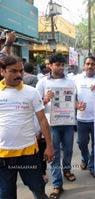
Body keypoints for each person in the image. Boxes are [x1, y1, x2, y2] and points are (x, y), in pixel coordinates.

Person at [0, 55, 54, 199]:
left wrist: (49, 146)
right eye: (13, 71)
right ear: (2, 71)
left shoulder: (31, 92)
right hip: (3, 156)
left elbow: (42, 120)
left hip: (28, 154)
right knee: (6, 193)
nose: (19, 75)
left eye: (21, 71)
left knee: (38, 189)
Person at [36, 53, 77, 199]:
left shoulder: (70, 82)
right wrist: (46, 99)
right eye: (57, 64)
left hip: (67, 123)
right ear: (50, 65)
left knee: (68, 150)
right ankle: (57, 184)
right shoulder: (42, 83)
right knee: (53, 154)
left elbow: (74, 101)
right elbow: (36, 105)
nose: (60, 67)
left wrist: (80, 105)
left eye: (62, 64)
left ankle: (66, 170)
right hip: (51, 124)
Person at [74, 56, 95, 178]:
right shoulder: (76, 79)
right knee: (81, 143)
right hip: (81, 118)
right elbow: (73, 96)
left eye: (92, 64)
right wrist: (77, 105)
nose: (90, 66)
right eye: (87, 63)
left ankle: (93, 167)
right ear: (84, 66)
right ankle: (84, 158)